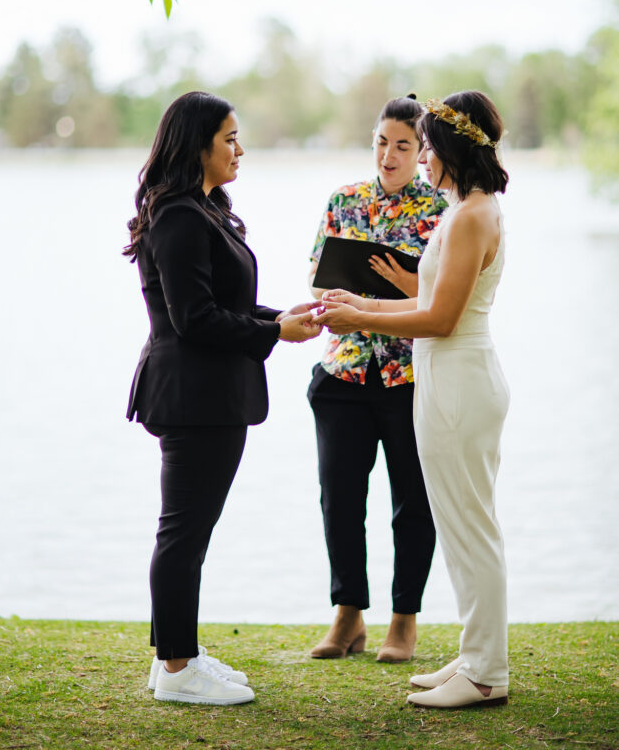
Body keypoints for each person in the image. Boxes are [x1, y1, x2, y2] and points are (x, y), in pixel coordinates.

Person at [123, 91, 321, 707]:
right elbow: (194, 320)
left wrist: (278, 317)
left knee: (191, 531)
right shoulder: (179, 215)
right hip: (192, 395)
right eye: (229, 137)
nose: (240, 148)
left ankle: (173, 656)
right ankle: (178, 667)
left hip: (209, 393)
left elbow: (220, 306)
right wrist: (272, 333)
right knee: (183, 531)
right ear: (197, 144)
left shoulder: (202, 210)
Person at [319, 90, 510, 709]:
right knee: (461, 525)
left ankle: (485, 673)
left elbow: (443, 319)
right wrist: (365, 306)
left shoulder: (470, 215)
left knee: (470, 527)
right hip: (448, 376)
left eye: (426, 144)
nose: (422, 156)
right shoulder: (469, 210)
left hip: (455, 377)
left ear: (452, 146)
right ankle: (474, 656)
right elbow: (428, 304)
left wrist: (364, 319)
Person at [307, 94, 447, 663]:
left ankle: (404, 620)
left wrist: (394, 292)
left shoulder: (441, 211)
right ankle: (348, 616)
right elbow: (317, 282)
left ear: (421, 151)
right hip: (342, 374)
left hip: (409, 375)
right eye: (381, 143)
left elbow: (446, 297)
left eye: (403, 146)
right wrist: (349, 297)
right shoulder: (344, 199)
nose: (388, 156)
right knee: (340, 498)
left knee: (412, 501)